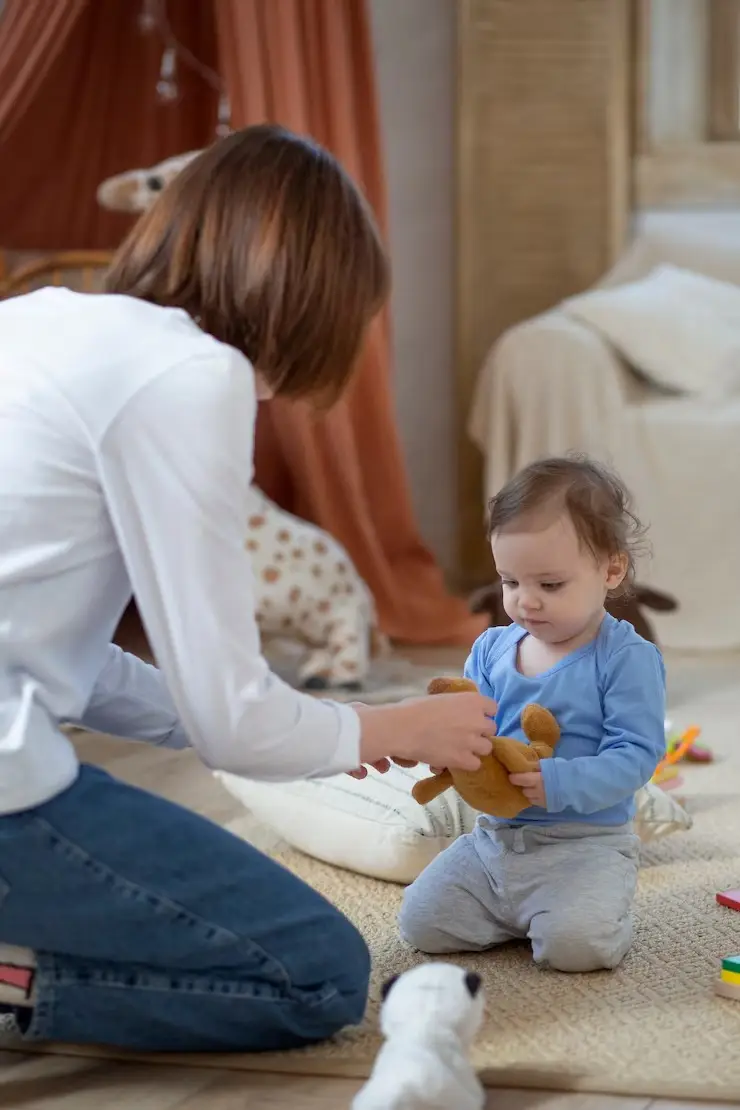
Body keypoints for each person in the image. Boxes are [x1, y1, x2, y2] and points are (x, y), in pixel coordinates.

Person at [0, 124, 498, 1053]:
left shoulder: (41, 321)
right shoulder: (192, 372)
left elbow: (68, 659)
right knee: (316, 971)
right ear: (310, 297)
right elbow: (233, 723)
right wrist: (394, 730)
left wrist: (311, 715)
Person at [399, 455, 666, 973]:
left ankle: (584, 915)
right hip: (494, 842)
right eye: (510, 581)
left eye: (549, 584)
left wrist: (558, 780)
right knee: (421, 923)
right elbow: (468, 726)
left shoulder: (625, 657)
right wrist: (448, 752)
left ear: (611, 569)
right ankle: (519, 914)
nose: (525, 602)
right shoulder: (491, 648)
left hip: (584, 847)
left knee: (576, 948)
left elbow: (636, 755)